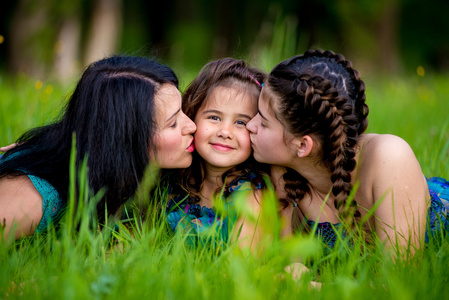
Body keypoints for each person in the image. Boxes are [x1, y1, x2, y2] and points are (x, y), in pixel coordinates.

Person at [246, 49, 449, 255]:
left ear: (302, 146)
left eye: (263, 122)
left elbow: (400, 279)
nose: (249, 126)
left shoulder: (390, 158)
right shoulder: (283, 174)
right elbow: (286, 265)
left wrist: (314, 285)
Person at [0, 55, 196, 241]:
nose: (192, 126)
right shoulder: (31, 197)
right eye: (173, 123)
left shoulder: (131, 175)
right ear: (125, 139)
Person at [166, 58, 268, 250]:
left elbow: (242, 264)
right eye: (214, 117)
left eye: (241, 123)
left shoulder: (252, 196)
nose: (225, 132)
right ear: (192, 114)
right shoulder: (176, 180)